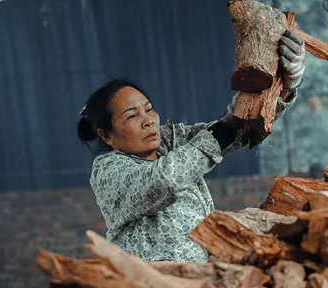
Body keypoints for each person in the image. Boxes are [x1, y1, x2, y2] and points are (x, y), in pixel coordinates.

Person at [77, 30, 306, 262]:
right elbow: (163, 180)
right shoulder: (107, 171)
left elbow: (236, 130)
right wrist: (222, 132)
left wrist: (283, 84)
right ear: (107, 136)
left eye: (148, 108)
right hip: (154, 285)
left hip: (200, 280)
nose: (148, 120)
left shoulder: (170, 141)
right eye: (132, 116)